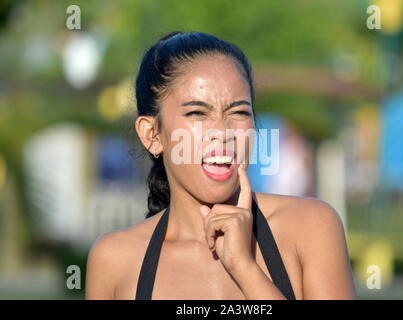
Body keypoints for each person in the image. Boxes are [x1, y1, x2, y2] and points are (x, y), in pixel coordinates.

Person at [85, 31, 356, 300]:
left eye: (238, 112)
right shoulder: (115, 260)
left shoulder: (310, 226)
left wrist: (245, 269)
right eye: (197, 113)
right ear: (152, 135)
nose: (222, 132)